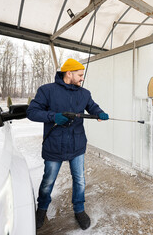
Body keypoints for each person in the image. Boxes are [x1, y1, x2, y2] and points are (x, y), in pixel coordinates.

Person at [26, 58, 109, 230]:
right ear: (68, 73)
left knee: (79, 180)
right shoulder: (47, 90)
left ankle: (79, 210)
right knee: (48, 181)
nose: (82, 78)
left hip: (77, 144)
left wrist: (99, 112)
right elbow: (32, 112)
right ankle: (41, 210)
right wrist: (53, 116)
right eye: (79, 75)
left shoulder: (84, 93)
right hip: (54, 144)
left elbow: (92, 107)